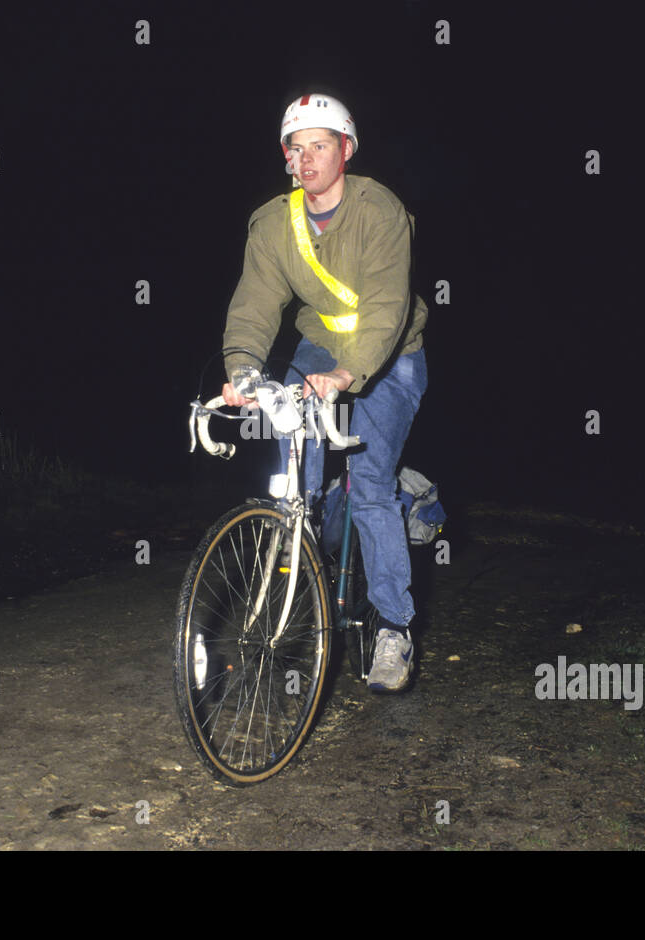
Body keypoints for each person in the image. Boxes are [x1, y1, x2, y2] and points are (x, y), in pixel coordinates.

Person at [219, 92, 428, 692]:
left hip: (391, 356)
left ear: (346, 150)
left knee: (369, 483)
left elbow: (388, 306)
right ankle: (297, 568)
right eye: (296, 148)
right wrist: (242, 372)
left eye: (320, 145)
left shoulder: (379, 210)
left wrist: (348, 376)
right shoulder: (273, 223)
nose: (306, 159)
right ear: (286, 157)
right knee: (291, 464)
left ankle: (394, 627)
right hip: (317, 350)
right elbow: (255, 303)